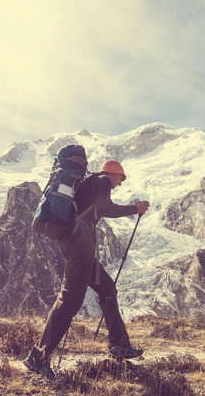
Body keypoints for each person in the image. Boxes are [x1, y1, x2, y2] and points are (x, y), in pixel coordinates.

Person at [24, 159, 150, 379]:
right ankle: (38, 357)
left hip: (75, 241)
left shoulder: (90, 183)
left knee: (107, 289)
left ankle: (119, 345)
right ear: (113, 174)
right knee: (70, 298)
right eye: (121, 178)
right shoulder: (101, 180)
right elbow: (104, 208)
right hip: (80, 242)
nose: (120, 184)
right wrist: (134, 209)